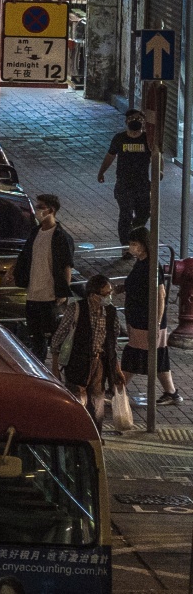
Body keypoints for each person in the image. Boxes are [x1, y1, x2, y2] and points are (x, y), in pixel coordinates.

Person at [51, 273, 125, 427]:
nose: (109, 297)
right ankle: (77, 433)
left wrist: (116, 369)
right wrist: (55, 366)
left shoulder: (110, 312)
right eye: (105, 294)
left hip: (99, 363)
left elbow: (112, 342)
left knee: (97, 401)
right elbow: (59, 337)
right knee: (77, 400)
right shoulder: (77, 309)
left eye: (110, 293)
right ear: (93, 295)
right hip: (77, 362)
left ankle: (96, 434)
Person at [11, 193, 75, 361]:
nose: (37, 211)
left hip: (49, 295)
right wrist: (13, 271)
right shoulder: (36, 232)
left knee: (49, 336)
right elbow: (25, 255)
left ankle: (47, 367)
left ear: (51, 210)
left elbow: (66, 266)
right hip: (33, 292)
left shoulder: (61, 237)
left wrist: (62, 293)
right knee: (35, 335)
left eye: (40, 207)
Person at [123, 229, 181, 406]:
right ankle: (171, 393)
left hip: (147, 321)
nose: (131, 247)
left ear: (143, 245)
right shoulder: (140, 263)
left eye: (134, 244)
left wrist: (155, 322)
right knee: (156, 355)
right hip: (139, 319)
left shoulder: (152, 266)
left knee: (134, 354)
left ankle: (118, 388)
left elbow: (160, 296)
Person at [98, 108, 158, 244]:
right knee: (126, 214)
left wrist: (160, 170)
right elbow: (110, 156)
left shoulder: (148, 139)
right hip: (124, 184)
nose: (135, 122)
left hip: (142, 184)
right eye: (132, 119)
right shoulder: (120, 138)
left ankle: (133, 235)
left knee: (144, 213)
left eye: (139, 119)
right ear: (126, 122)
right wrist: (101, 172)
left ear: (144, 123)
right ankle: (125, 246)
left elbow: (157, 156)